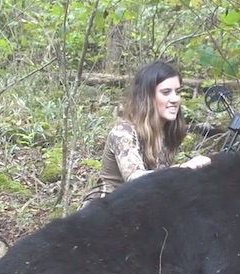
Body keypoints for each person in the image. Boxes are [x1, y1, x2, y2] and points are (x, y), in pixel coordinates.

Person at [80, 61, 211, 208]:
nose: (175, 99)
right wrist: (184, 167)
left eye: (178, 92)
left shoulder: (168, 132)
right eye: (166, 92)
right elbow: (136, 179)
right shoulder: (123, 132)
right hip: (103, 210)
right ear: (148, 96)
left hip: (138, 207)